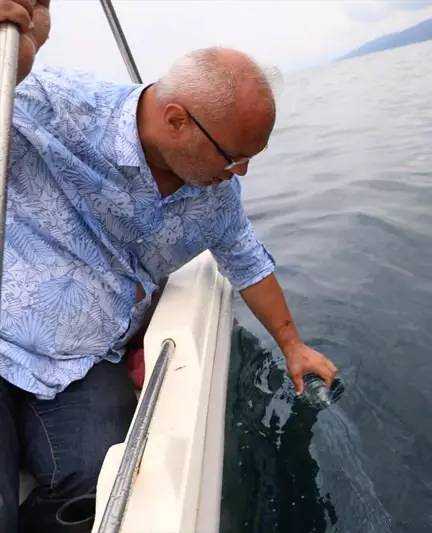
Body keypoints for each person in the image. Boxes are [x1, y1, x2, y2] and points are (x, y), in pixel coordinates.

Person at [0, 1, 338, 531]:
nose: (241, 171)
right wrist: (11, 65)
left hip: (85, 363)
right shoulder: (55, 103)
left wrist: (293, 345)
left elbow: (246, 260)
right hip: (4, 336)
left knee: (105, 488)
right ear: (177, 120)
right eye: (233, 155)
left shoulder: (216, 196)